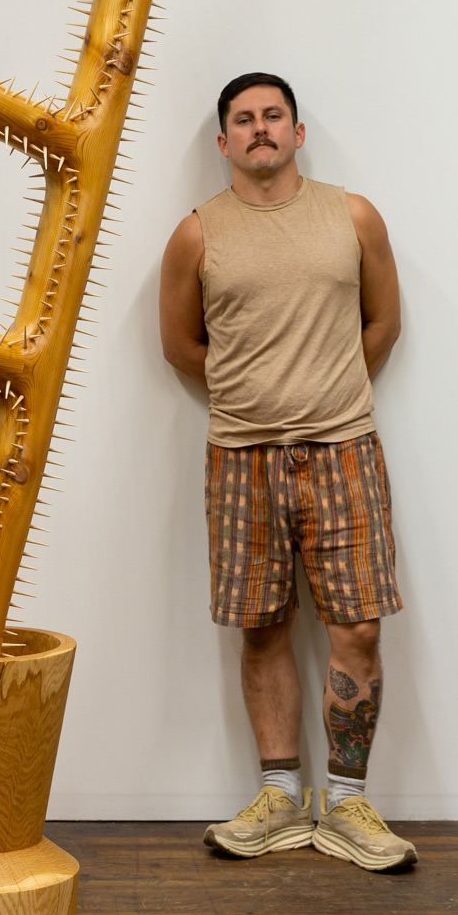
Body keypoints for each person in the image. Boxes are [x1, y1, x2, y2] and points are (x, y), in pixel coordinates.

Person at [158, 72, 416, 872]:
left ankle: (344, 804)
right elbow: (181, 348)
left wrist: (327, 390)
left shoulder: (352, 217)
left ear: (298, 133)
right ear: (224, 141)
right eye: (244, 119)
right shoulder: (197, 235)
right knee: (262, 626)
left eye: (274, 116)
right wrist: (257, 397)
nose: (260, 128)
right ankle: (279, 797)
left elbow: (384, 322)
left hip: (345, 448)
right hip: (241, 456)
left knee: (359, 626)